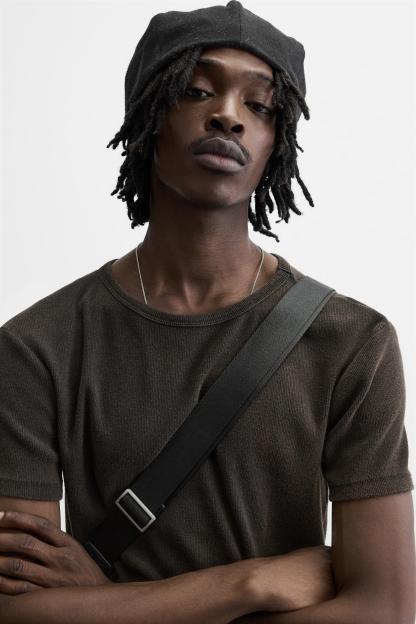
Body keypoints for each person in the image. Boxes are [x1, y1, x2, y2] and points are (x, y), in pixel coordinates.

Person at [0, 2, 414, 622]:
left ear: (277, 144)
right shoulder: (37, 347)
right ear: (148, 114)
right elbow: (18, 611)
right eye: (196, 90)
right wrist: (248, 584)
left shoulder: (352, 342)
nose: (228, 115)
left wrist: (104, 605)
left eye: (260, 105)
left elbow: (386, 610)